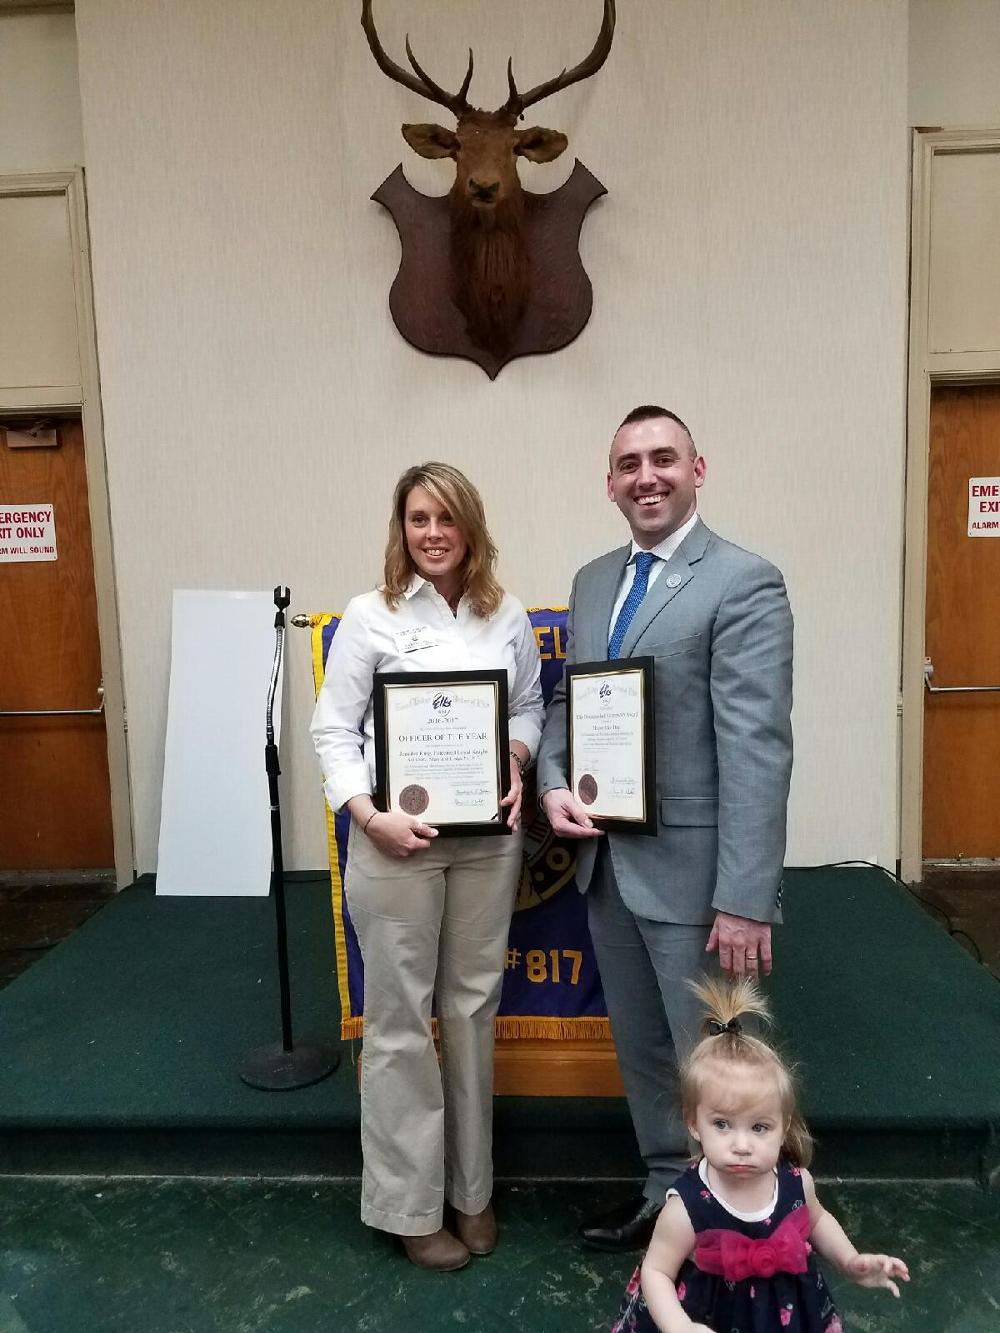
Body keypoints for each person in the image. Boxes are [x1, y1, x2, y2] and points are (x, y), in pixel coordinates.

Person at [536, 405, 794, 1250]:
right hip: (606, 866)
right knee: (647, 1055)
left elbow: (757, 747)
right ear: (609, 482)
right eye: (628, 464)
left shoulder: (743, 580)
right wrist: (549, 784)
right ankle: (667, 1197)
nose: (646, 476)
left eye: (663, 459)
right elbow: (572, 707)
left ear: (697, 469)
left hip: (696, 881)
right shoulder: (592, 580)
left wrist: (746, 897)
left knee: (723, 1075)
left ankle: (743, 1244)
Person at [310, 462, 543, 1272]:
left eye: (446, 517)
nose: (432, 532)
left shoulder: (505, 614)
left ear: (470, 527)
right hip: (394, 842)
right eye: (417, 518)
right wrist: (369, 816)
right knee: (401, 1022)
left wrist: (514, 755)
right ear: (400, 529)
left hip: (487, 841)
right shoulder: (368, 617)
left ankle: (472, 1190)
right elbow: (332, 732)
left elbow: (527, 705)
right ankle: (410, 1206)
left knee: (474, 1009)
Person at [612, 977, 909, 1331]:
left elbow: (815, 1221)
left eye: (759, 1128)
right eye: (721, 1124)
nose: (741, 1144)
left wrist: (850, 1260)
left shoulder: (797, 1184)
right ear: (694, 1124)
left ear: (784, 1127)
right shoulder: (687, 1206)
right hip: (709, 1317)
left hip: (783, 1314)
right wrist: (680, 1326)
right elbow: (657, 1270)